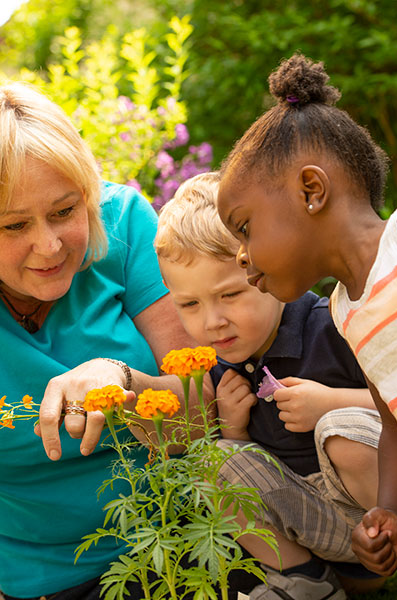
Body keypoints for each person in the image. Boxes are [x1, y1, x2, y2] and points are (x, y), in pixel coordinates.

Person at [0, 82, 212, 600]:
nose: (49, 246)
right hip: (40, 580)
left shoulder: (123, 224)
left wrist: (120, 379)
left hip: (182, 539)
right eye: (13, 225)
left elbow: (208, 411)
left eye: (65, 212)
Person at [154, 171, 385, 599]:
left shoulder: (331, 325)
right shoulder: (222, 368)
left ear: (267, 270)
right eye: (190, 304)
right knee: (210, 458)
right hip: (316, 526)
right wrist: (234, 430)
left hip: (378, 509)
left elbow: (395, 399)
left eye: (229, 295)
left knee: (342, 430)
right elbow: (254, 481)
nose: (212, 321)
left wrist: (330, 403)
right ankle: (303, 579)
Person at [216, 52, 397, 580]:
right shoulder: (346, 311)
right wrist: (387, 508)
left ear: (311, 191)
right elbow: (391, 422)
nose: (242, 256)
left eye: (245, 227)